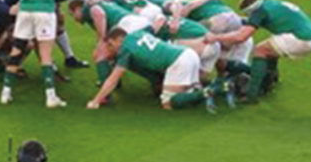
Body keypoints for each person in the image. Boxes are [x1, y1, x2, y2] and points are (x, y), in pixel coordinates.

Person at [206, 0, 311, 103]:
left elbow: (242, 37)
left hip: (302, 38)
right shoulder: (269, 2)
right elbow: (256, 20)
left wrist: (215, 37)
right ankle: (270, 79)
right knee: (271, 49)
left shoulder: (259, 12)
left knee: (260, 50)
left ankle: (252, 94)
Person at [88, 28, 217, 113]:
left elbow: (113, 79)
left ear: (119, 40)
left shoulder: (125, 49)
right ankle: (215, 86)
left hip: (178, 61)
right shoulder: (137, 33)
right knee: (188, 92)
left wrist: (96, 100)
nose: (111, 48)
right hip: (188, 53)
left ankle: (209, 91)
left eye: (111, 44)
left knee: (168, 103)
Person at [67, 0, 151, 86]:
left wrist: (102, 41)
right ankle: (155, 78)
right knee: (125, 56)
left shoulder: (88, 8)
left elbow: (99, 14)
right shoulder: (97, 5)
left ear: (78, 8)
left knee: (101, 54)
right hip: (139, 23)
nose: (74, 19)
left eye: (72, 14)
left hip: (129, 25)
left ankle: (106, 88)